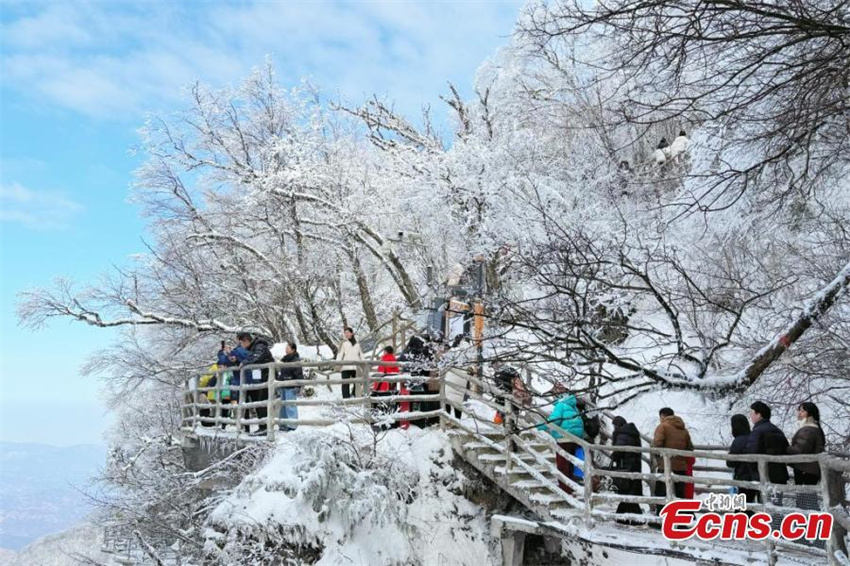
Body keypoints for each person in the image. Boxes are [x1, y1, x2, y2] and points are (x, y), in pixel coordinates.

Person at [537, 384, 585, 494]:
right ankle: (571, 487)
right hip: (575, 437)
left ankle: (565, 490)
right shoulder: (573, 405)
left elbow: (554, 420)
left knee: (562, 465)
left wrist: (539, 427)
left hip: (564, 438)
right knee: (570, 464)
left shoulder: (561, 405)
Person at [652, 408, 694, 514]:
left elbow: (657, 445)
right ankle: (680, 520)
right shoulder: (683, 430)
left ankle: (661, 518)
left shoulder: (662, 427)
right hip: (681, 467)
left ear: (662, 416)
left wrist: (658, 458)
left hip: (666, 466)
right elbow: (690, 448)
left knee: (661, 493)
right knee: (680, 494)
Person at [787, 401, 825, 509]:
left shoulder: (808, 429)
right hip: (810, 469)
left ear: (809, 413)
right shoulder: (814, 427)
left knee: (804, 500)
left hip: (806, 469)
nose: (799, 413)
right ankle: (812, 523)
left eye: (802, 411)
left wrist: (785, 447)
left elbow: (800, 449)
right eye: (799, 410)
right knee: (809, 498)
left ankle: (808, 523)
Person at [746, 401, 790, 491]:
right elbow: (787, 450)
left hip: (763, 475)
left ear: (759, 415)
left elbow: (751, 454)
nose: (750, 416)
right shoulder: (777, 430)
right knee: (777, 503)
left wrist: (753, 472)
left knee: (765, 502)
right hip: (780, 475)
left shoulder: (757, 431)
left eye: (752, 413)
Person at [238, 331, 274, 434]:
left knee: (262, 402)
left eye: (242, 343)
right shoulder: (252, 348)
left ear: (246, 341)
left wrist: (244, 363)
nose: (241, 345)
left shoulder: (259, 346)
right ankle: (263, 426)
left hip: (267, 376)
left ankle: (265, 427)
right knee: (259, 402)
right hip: (261, 377)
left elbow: (256, 358)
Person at [611, 416, 643, 516]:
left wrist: (614, 456)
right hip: (635, 464)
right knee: (632, 489)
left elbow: (619, 450)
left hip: (625, 465)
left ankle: (626, 516)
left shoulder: (622, 434)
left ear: (617, 425)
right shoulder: (632, 432)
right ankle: (627, 514)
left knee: (626, 489)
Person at [727, 414, 758, 505]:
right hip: (755, 476)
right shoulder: (753, 437)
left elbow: (730, 462)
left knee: (741, 505)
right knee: (751, 503)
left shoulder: (738, 440)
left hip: (742, 476)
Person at [276, 343, 303, 432]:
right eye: (286, 348)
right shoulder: (285, 360)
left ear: (293, 349)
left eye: (288, 348)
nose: (286, 349)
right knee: (283, 406)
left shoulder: (295, 360)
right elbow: (283, 373)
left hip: (291, 385)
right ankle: (283, 423)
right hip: (284, 384)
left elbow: (299, 374)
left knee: (290, 405)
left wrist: (298, 385)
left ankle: (292, 425)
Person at [336, 327, 363, 399]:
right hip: (346, 366)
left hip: (355, 366)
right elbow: (340, 354)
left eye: (348, 332)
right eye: (345, 333)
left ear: (352, 333)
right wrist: (337, 363)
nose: (346, 334)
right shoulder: (343, 343)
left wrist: (364, 363)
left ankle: (355, 395)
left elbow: (361, 354)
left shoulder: (357, 344)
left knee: (357, 383)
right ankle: (346, 399)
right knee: (345, 383)